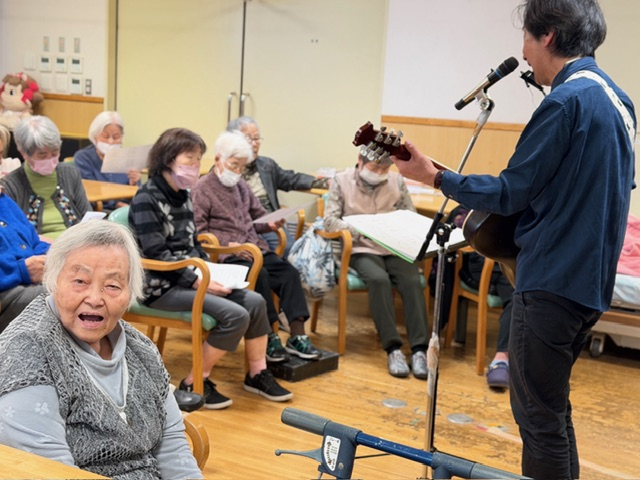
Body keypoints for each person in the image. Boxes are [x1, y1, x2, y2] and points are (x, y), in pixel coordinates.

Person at [391, 1, 636, 478]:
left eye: (525, 37)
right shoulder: (619, 100)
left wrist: (434, 176)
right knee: (553, 412)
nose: (522, 52)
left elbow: (510, 192)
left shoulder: (565, 102)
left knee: (539, 422)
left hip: (551, 281)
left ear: (548, 36)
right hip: (590, 284)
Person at [0, 220, 203, 479]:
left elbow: (172, 446)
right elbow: (51, 471)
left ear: (130, 293)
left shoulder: (140, 348)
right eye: (80, 281)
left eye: (113, 286)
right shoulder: (28, 350)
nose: (95, 299)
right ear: (53, 281)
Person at [129, 127, 292, 409]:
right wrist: (197, 280)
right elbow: (156, 254)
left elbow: (194, 242)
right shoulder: (147, 198)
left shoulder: (183, 194)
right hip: (160, 286)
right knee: (235, 315)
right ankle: (195, 381)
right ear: (169, 159)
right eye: (189, 159)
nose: (195, 165)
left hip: (191, 276)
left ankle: (257, 374)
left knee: (255, 302)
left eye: (197, 159)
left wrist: (211, 272)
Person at [192, 131, 321, 363]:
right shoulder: (202, 188)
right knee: (259, 274)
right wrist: (228, 245)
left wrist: (270, 223)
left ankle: (297, 335)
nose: (238, 171)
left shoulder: (241, 186)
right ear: (218, 159)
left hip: (253, 250)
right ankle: (268, 336)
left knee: (288, 272)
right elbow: (199, 233)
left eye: (242, 167)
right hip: (227, 256)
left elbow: (257, 218)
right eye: (234, 165)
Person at [323, 149, 429, 379]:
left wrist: (394, 226)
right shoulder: (341, 181)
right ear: (360, 161)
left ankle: (420, 350)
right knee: (378, 280)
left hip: (393, 246)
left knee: (412, 281)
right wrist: (362, 228)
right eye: (374, 167)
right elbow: (329, 221)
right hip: (360, 247)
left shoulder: (396, 180)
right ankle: (393, 348)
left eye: (384, 169)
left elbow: (410, 214)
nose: (379, 172)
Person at [226, 116, 329, 256]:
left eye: (257, 138)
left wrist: (323, 183)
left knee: (291, 251)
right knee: (259, 256)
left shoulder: (266, 165)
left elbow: (290, 179)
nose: (254, 144)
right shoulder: (223, 171)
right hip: (242, 225)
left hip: (269, 222)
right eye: (249, 139)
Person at [0, 116, 92, 241]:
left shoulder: (70, 174)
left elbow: (87, 215)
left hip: (75, 243)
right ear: (24, 153)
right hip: (37, 248)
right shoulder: (10, 185)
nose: (50, 159)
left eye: (55, 153)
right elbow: (13, 233)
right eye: (42, 155)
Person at [0, 185, 50, 333]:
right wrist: (21, 270)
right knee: (69, 295)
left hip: (32, 280)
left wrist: (52, 255)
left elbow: (33, 241)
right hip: (7, 290)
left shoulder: (4, 200)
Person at [74, 111, 142, 211]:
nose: (110, 141)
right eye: (106, 137)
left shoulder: (128, 157)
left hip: (128, 208)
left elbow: (138, 194)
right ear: (95, 136)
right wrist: (117, 204)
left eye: (116, 137)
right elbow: (89, 191)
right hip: (100, 210)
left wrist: (134, 184)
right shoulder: (84, 158)